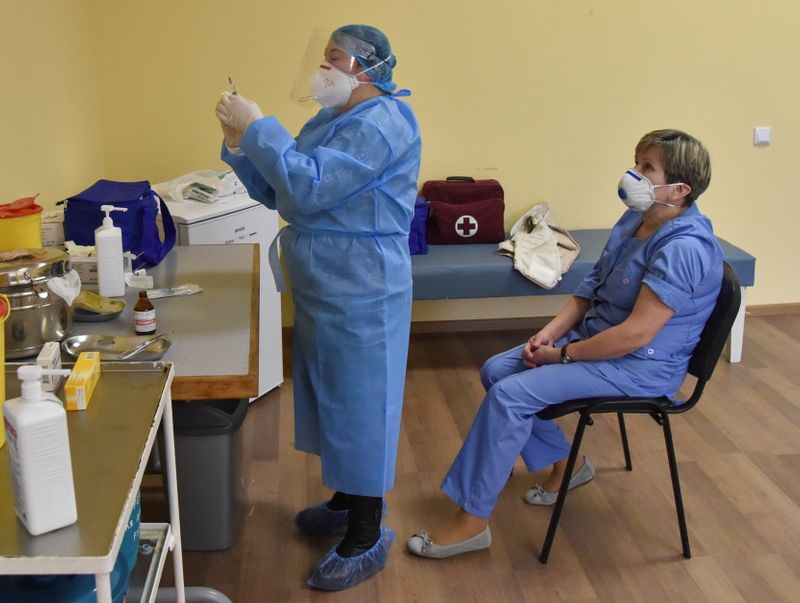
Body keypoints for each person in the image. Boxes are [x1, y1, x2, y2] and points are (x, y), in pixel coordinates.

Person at [406, 129, 722, 559]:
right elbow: (589, 289)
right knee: (497, 369)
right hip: (598, 342)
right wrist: (550, 333)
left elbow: (636, 335)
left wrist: (563, 355)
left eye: (647, 168)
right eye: (636, 161)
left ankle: (471, 523)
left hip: (639, 366)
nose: (634, 173)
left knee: (509, 397)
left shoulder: (684, 246)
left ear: (681, 189)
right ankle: (567, 463)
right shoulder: (636, 220)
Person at [215, 25, 421, 589]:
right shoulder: (331, 120)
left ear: (367, 67)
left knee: (361, 399)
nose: (323, 68)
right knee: (330, 389)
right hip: (325, 280)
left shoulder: (383, 122)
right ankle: (346, 497)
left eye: (335, 58)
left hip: (363, 284)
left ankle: (366, 530)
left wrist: (260, 127)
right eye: (324, 56)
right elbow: (282, 190)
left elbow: (310, 186)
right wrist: (240, 145)